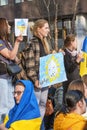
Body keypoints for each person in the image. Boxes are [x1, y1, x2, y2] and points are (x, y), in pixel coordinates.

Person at [20, 19, 52, 120]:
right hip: (36, 80)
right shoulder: (32, 43)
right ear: (39, 29)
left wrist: (50, 79)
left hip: (44, 79)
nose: (48, 30)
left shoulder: (45, 43)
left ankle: (38, 125)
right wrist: (35, 80)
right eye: (46, 28)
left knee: (42, 104)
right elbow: (29, 65)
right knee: (34, 106)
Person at [0, 18, 23, 122]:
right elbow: (10, 55)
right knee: (3, 107)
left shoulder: (7, 42)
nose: (10, 27)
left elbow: (15, 58)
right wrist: (17, 42)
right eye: (8, 25)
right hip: (2, 78)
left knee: (11, 104)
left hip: (10, 78)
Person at [63, 34, 83, 99]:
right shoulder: (65, 54)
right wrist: (77, 60)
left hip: (76, 81)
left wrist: (80, 60)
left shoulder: (74, 53)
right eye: (76, 41)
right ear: (71, 42)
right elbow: (69, 69)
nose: (77, 43)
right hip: (69, 84)